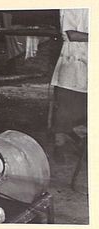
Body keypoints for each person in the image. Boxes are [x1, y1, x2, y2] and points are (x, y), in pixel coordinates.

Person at [50, 9, 88, 163]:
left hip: (89, 59)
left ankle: (83, 143)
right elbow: (72, 34)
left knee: (85, 107)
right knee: (65, 110)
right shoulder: (71, 6)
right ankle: (59, 147)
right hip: (73, 59)